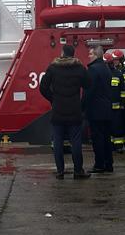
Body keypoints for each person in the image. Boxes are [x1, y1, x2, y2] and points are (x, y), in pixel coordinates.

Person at [38, 44, 90, 180]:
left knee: (58, 142)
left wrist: (53, 98)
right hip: (74, 110)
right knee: (76, 142)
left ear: (62, 53)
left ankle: (60, 171)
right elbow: (88, 85)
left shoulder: (53, 68)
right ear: (73, 54)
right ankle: (78, 171)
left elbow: (42, 87)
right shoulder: (79, 68)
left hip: (58, 111)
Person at [83, 45, 113, 174]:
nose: (89, 56)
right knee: (106, 138)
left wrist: (82, 107)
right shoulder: (106, 69)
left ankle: (99, 164)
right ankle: (108, 163)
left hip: (96, 110)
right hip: (106, 109)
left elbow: (89, 91)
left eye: (90, 54)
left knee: (97, 138)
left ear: (96, 55)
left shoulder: (93, 70)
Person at [106, 51, 125, 154]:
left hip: (118, 107)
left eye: (116, 60)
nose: (114, 62)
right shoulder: (105, 74)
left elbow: (124, 91)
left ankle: (119, 146)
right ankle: (110, 146)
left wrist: (123, 104)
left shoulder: (119, 74)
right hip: (107, 107)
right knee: (109, 128)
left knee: (118, 126)